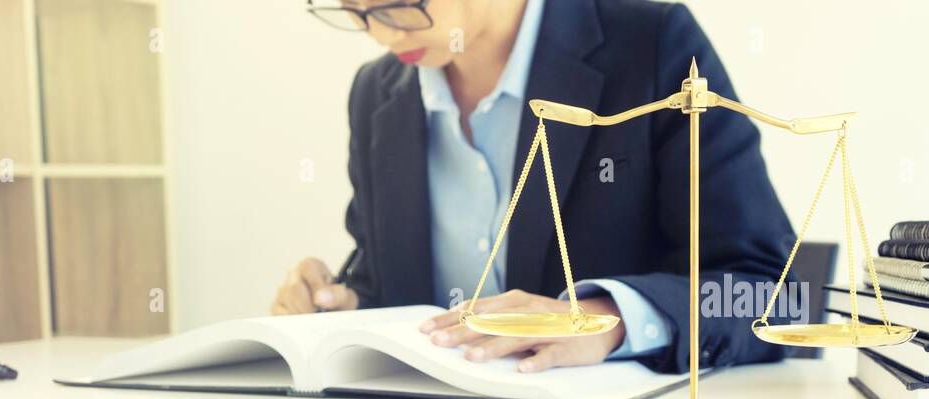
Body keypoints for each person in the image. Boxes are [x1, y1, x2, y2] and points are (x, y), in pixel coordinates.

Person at [270, 0, 796, 375]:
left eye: (401, 5)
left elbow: (773, 291)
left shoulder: (654, 44)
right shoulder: (377, 93)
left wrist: (606, 318)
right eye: (353, 9)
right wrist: (340, 304)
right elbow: (394, 289)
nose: (382, 34)